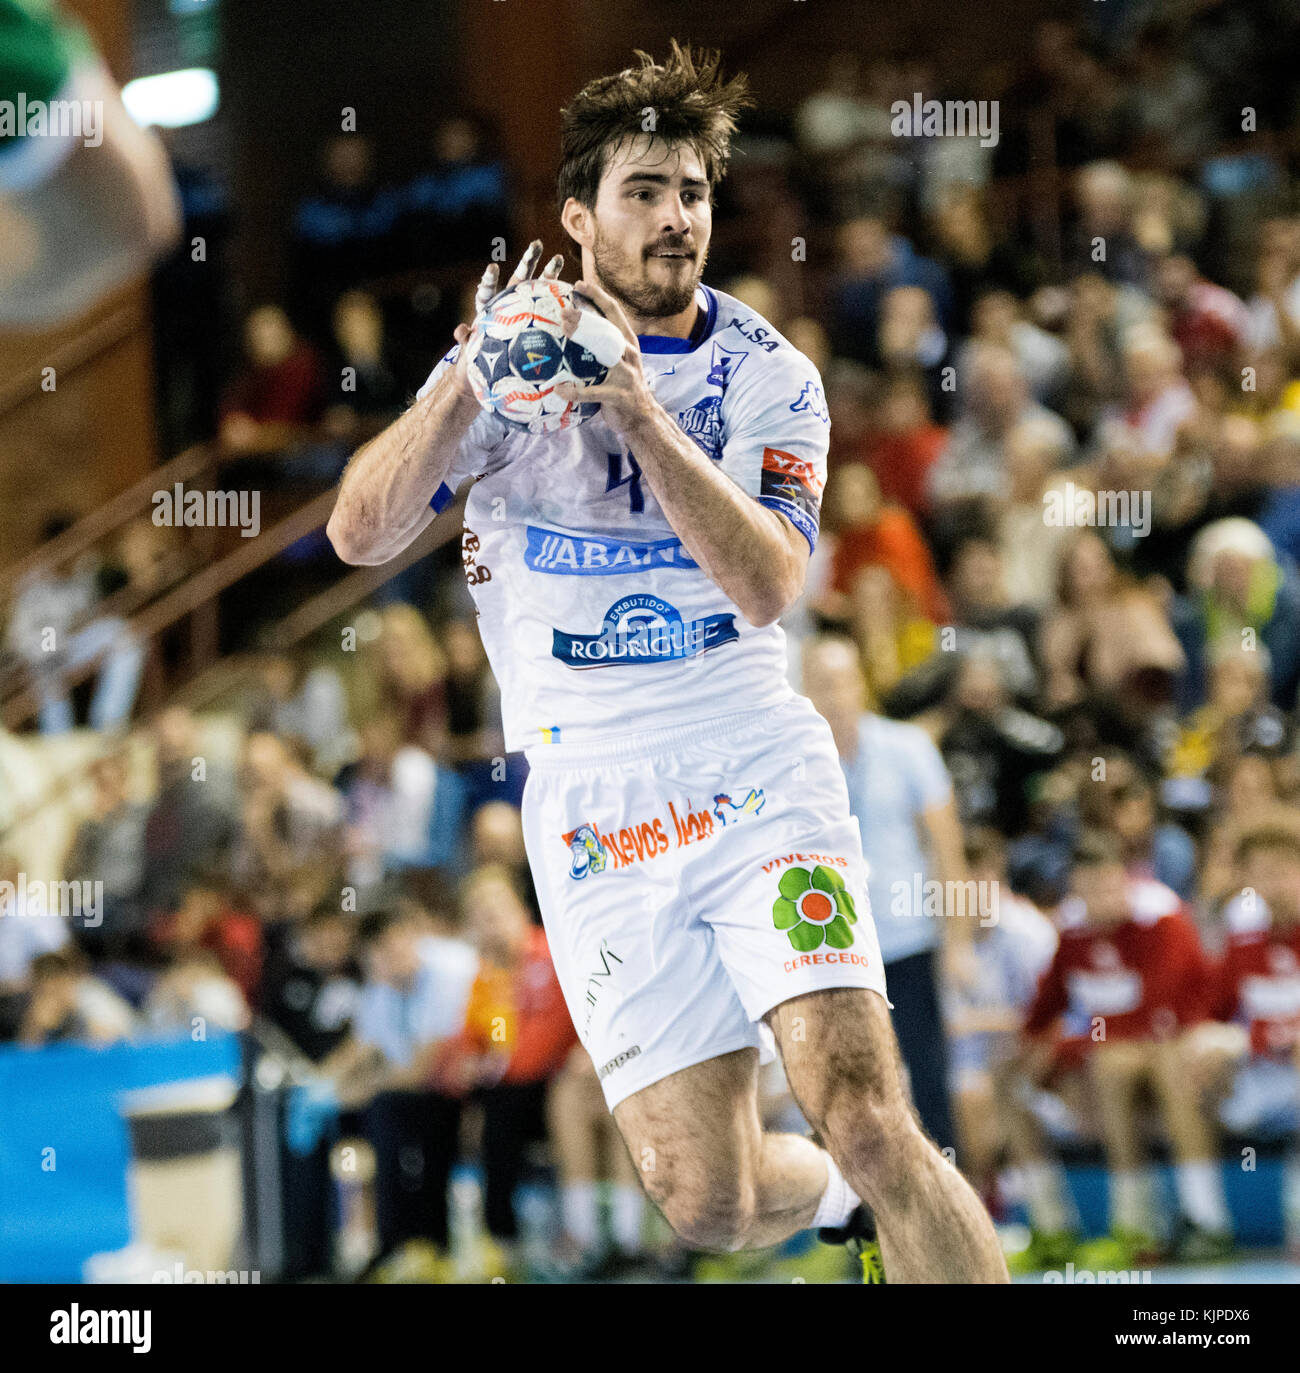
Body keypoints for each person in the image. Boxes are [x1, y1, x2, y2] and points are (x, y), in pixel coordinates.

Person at [328, 41, 1007, 1281]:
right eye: (644, 191)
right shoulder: (497, 366)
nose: (676, 218)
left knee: (860, 1106)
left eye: (691, 191)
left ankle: (879, 1182)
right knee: (705, 1196)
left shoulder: (768, 376)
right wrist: (462, 387)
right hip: (589, 798)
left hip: (752, 767)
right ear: (578, 215)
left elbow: (766, 583)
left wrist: (634, 404)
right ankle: (845, 1207)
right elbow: (358, 532)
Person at [1020, 832, 1231, 1264]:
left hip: (1178, 1054)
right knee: (1009, 1074)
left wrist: (1066, 1046)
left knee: (1113, 1064)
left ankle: (1155, 1225)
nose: (1099, 898)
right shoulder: (1072, 930)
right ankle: (1052, 1229)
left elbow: (1155, 1021)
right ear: (1075, 890)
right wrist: (1043, 1052)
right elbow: (1040, 1015)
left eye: (1108, 886)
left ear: (1127, 881)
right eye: (1088, 888)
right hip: (1108, 1060)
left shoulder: (1163, 919)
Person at [803, 635, 967, 1154]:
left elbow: (947, 851)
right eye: (821, 685)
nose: (834, 696)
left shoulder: (908, 748)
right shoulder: (796, 764)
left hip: (907, 940)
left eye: (843, 682)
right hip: (834, 950)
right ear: (804, 692)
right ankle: (862, 1221)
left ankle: (951, 1216)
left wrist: (957, 942)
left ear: (862, 684)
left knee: (928, 1077)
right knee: (847, 1087)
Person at [321, 906, 477, 1280]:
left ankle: (417, 1241)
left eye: (396, 947)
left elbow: (423, 1069)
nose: (391, 959)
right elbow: (362, 1047)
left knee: (387, 1109)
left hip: (476, 1088)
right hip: (424, 1094)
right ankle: (380, 1241)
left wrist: (353, 1090)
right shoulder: (383, 983)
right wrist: (317, 1083)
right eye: (380, 954)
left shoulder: (451, 970)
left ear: (413, 934)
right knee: (361, 1115)